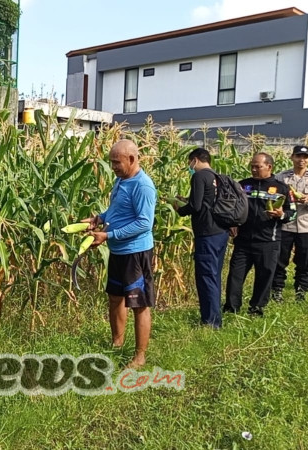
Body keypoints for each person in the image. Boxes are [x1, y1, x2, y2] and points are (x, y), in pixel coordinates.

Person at [83, 139, 157, 369]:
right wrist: (100, 218)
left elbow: (144, 223)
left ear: (132, 159)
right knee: (115, 298)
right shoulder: (121, 180)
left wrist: (108, 236)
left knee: (139, 304)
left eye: (116, 162)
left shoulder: (142, 186)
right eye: (111, 162)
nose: (113, 167)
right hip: (118, 252)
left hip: (136, 254)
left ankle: (139, 356)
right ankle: (117, 343)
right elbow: (117, 211)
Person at [224, 153, 295, 316]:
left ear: (269, 167)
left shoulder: (282, 188)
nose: (254, 169)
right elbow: (231, 207)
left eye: (258, 166)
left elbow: (293, 213)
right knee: (235, 275)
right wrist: (232, 223)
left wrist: (281, 214)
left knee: (264, 276)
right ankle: (231, 308)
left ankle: (256, 308)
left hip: (268, 241)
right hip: (243, 240)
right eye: (252, 166)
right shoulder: (242, 185)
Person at [170, 148, 228, 329]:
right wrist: (185, 199)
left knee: (206, 277)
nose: (189, 166)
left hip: (207, 234)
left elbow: (195, 206)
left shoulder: (199, 176)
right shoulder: (218, 177)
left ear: (195, 160)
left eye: (189, 163)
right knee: (214, 276)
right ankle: (214, 318)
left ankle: (210, 322)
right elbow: (204, 201)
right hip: (221, 232)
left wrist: (179, 208)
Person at [272, 145, 308, 302]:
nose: (301, 160)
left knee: (305, 259)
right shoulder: (281, 177)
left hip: (307, 224)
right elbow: (273, 197)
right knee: (280, 259)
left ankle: (301, 290)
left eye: (305, 157)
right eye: (298, 156)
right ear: (292, 157)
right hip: (286, 224)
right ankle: (277, 289)